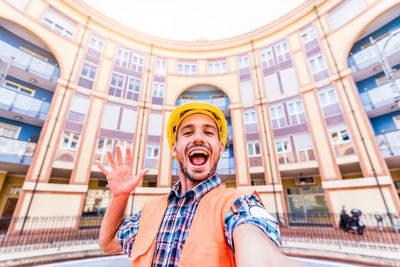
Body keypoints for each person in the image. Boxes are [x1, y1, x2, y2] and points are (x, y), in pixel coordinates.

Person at [97, 102, 304, 266]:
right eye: (188, 132)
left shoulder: (238, 204)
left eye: (208, 132)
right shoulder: (151, 209)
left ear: (220, 148)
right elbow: (108, 244)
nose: (198, 138)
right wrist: (119, 197)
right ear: (175, 149)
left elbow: (260, 252)